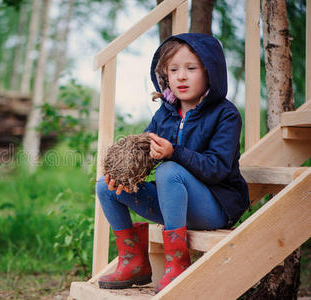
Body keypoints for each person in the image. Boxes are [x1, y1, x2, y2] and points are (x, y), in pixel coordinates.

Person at [95, 33, 249, 293]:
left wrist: (173, 152)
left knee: (168, 170)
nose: (181, 76)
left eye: (191, 68)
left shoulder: (225, 114)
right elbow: (142, 154)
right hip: (173, 204)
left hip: (215, 206)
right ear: (164, 74)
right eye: (173, 69)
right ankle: (133, 262)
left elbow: (217, 168)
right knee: (104, 186)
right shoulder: (164, 113)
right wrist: (120, 170)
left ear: (210, 71)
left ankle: (177, 263)